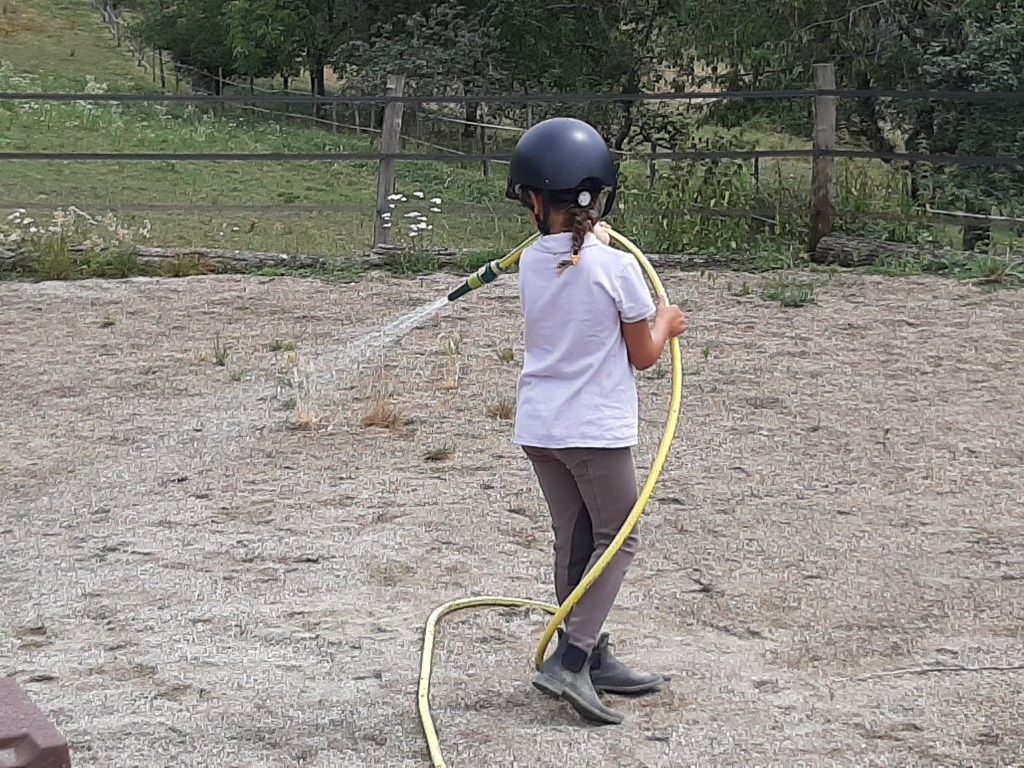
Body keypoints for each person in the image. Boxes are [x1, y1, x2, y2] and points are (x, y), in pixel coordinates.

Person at [506, 117, 688, 725]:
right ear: (597, 197)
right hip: (594, 431)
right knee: (619, 535)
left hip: (541, 428)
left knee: (576, 537)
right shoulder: (618, 269)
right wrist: (666, 322)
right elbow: (644, 355)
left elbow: (571, 264)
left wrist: (595, 243)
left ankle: (590, 654)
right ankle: (572, 658)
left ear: (535, 203)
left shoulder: (532, 263)